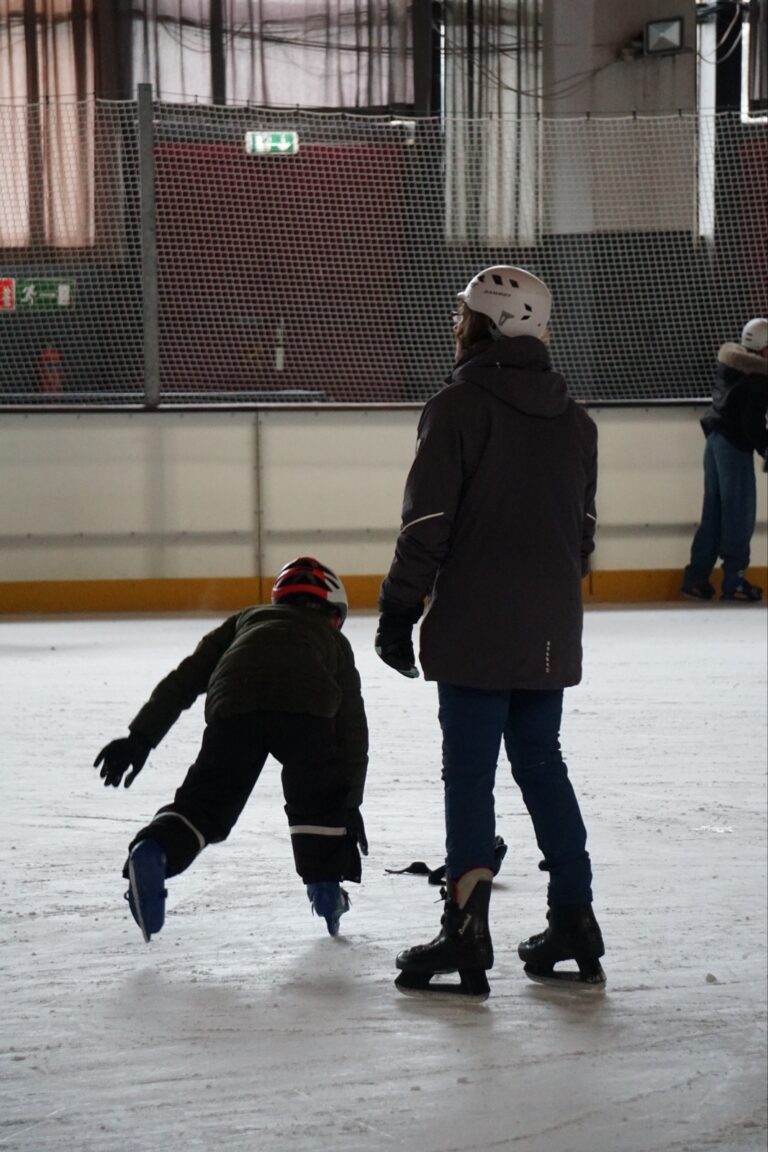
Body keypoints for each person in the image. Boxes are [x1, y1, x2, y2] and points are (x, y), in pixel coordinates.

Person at [375, 266, 604, 998]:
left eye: (463, 315)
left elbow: (428, 525)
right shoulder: (576, 420)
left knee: (470, 774)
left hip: (475, 623)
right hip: (548, 626)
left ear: (481, 325)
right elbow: (584, 533)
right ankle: (574, 916)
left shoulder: (458, 408)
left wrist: (397, 610)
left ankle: (466, 931)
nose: (456, 324)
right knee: (542, 762)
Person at [94, 557, 368, 940]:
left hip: (234, 706)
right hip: (306, 712)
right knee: (318, 804)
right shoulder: (334, 641)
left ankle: (155, 848)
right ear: (334, 614)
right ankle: (326, 891)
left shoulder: (245, 620)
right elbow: (353, 730)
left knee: (204, 807)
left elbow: (185, 680)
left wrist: (140, 739)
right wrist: (349, 802)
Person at [681, 317, 768, 602]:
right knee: (739, 515)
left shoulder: (731, 366)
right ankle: (735, 581)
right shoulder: (757, 379)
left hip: (716, 442)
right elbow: (752, 424)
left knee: (715, 514)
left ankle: (696, 578)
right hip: (734, 448)